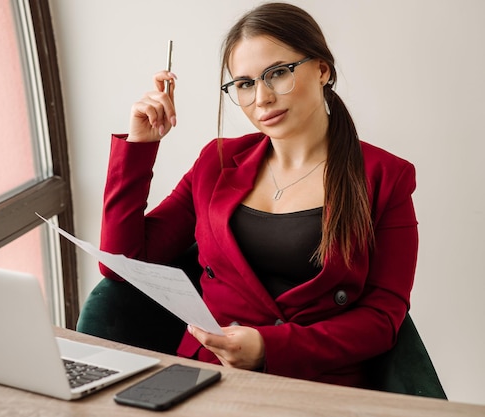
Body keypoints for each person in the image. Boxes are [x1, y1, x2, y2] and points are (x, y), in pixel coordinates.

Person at [99, 2, 417, 388]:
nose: (262, 98)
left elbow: (384, 318)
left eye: (278, 73)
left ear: (322, 69)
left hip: (316, 384)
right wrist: (140, 146)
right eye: (246, 83)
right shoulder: (216, 162)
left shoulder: (385, 176)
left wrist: (270, 347)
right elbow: (120, 264)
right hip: (205, 376)